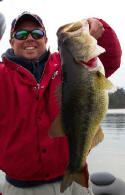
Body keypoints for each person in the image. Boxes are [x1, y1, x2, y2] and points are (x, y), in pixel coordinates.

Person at [0, 11, 122, 195]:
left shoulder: (66, 62)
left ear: (46, 39)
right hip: (20, 188)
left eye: (37, 34)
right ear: (11, 42)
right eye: (21, 35)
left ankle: (76, 166)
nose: (30, 39)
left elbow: (112, 57)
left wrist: (98, 26)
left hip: (75, 187)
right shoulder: (2, 76)